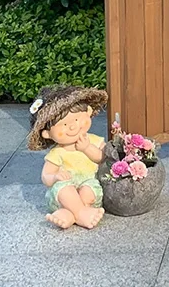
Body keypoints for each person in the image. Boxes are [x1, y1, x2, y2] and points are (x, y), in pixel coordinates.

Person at [27, 85, 108, 229]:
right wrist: (55, 177)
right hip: (64, 194)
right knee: (64, 189)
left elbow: (102, 158)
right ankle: (82, 213)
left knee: (88, 190)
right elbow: (46, 176)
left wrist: (87, 148)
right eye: (64, 124)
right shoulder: (57, 153)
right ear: (47, 133)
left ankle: (69, 214)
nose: (72, 127)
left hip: (88, 183)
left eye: (77, 120)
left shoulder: (94, 141)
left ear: (88, 112)